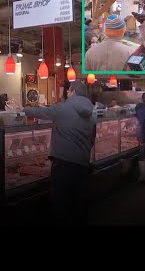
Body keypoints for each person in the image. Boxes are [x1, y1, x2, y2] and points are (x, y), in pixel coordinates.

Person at [23, 80, 97, 225]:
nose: (67, 93)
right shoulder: (92, 111)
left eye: (68, 91)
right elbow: (92, 138)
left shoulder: (63, 108)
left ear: (73, 91)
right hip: (82, 162)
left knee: (61, 201)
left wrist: (21, 109)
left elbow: (42, 112)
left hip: (63, 162)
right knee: (79, 200)